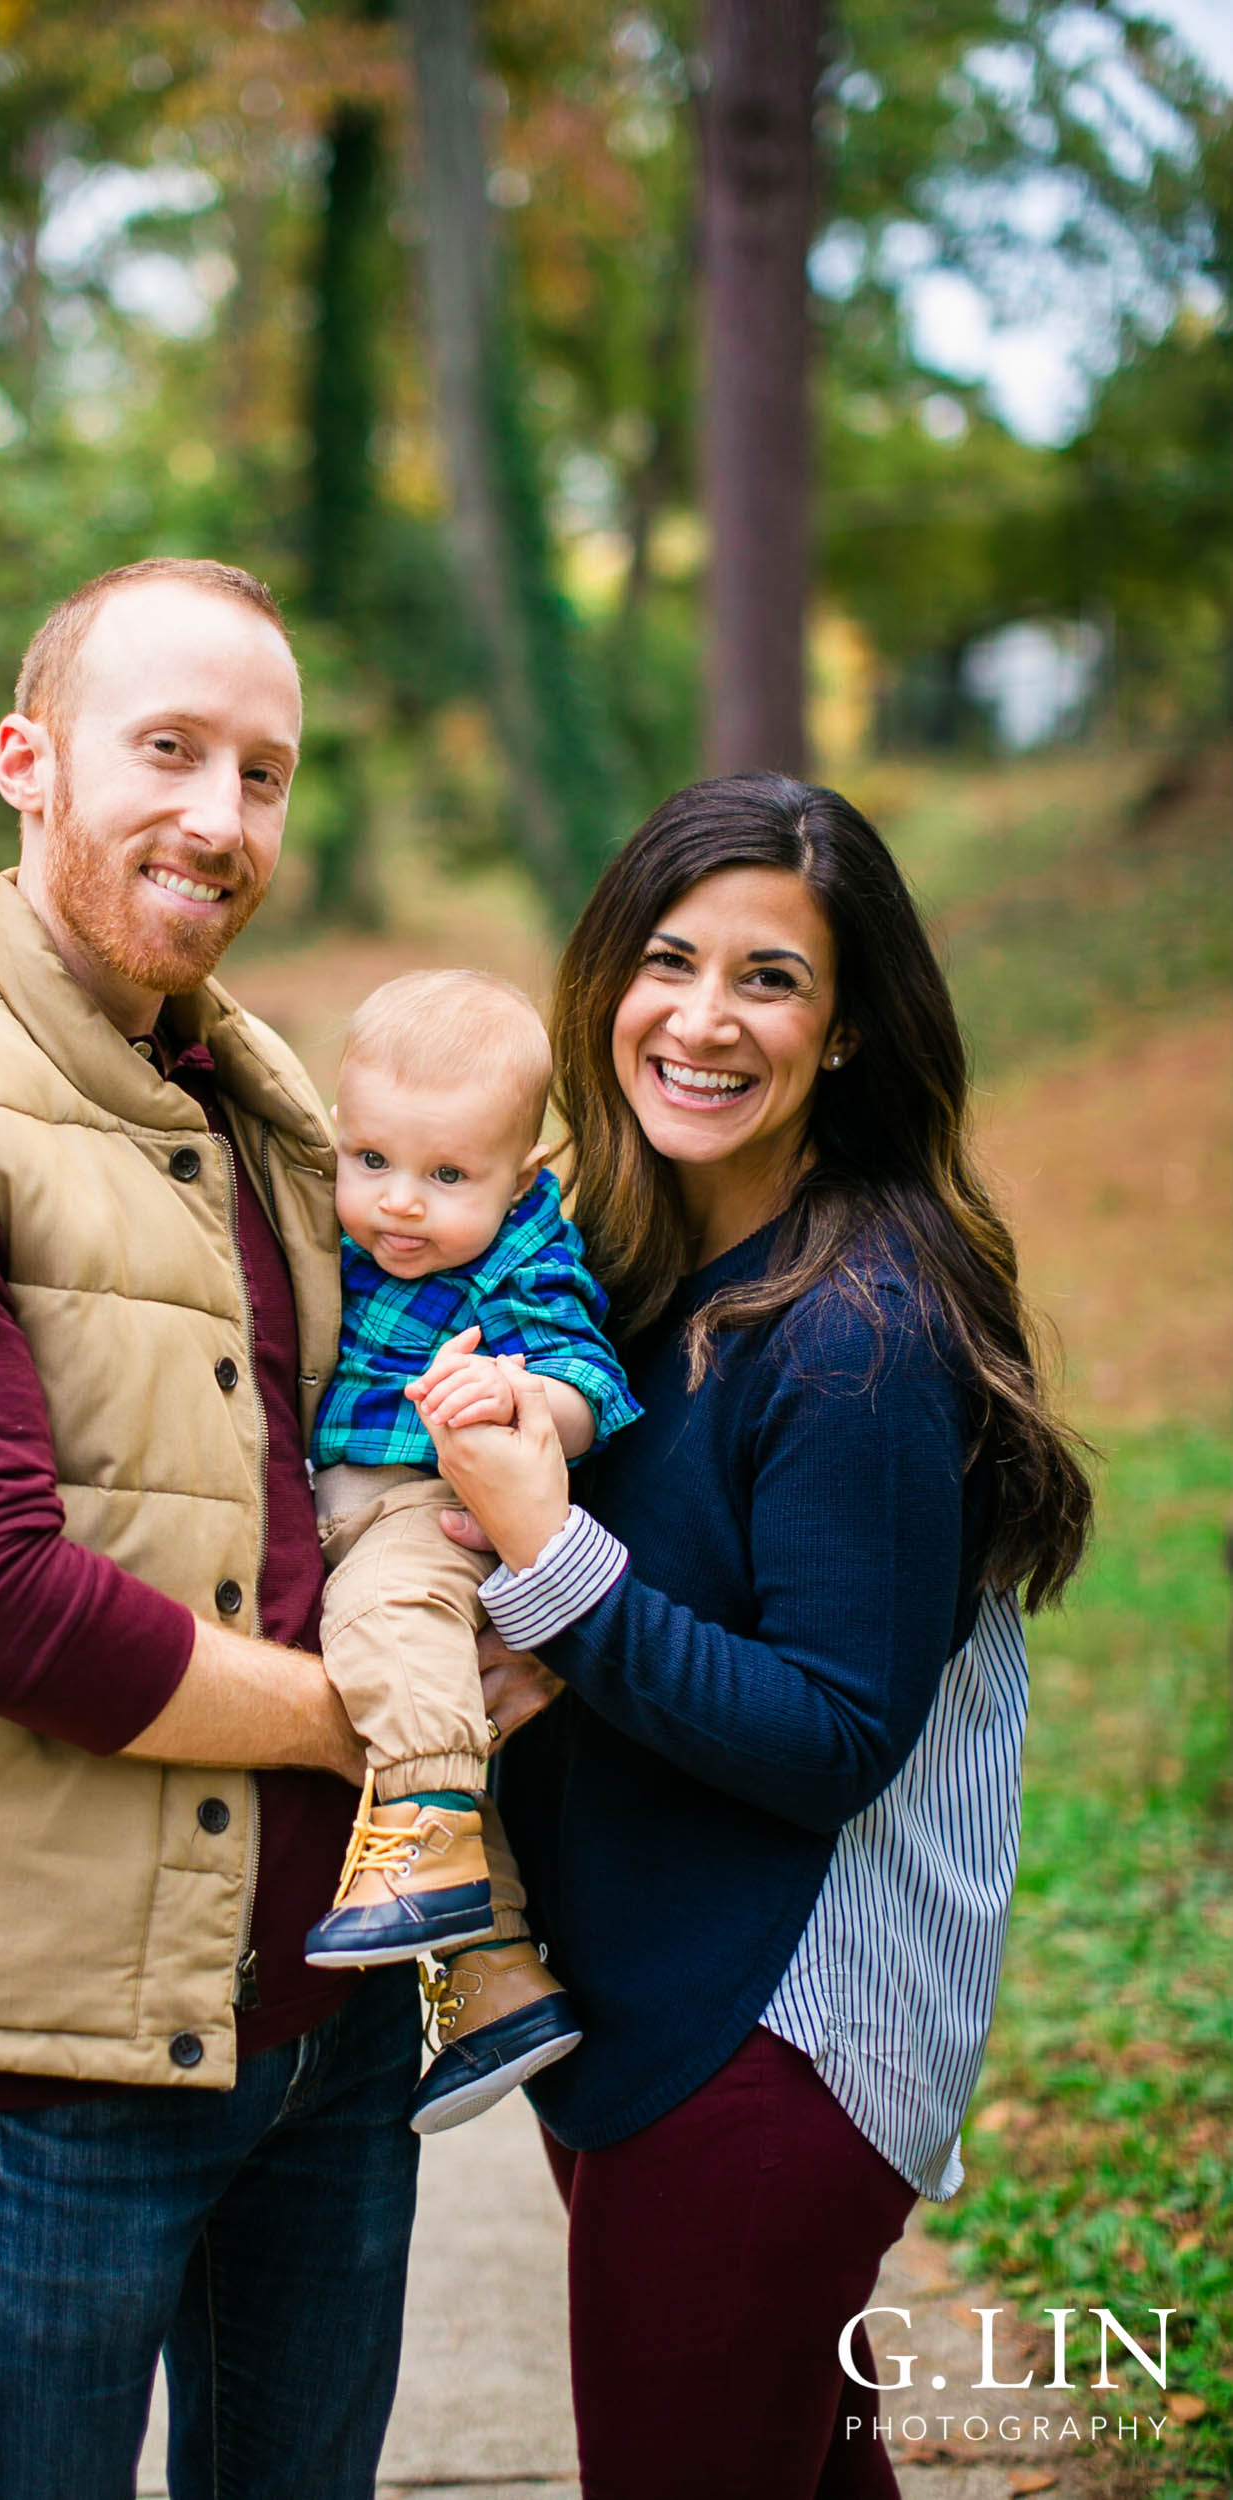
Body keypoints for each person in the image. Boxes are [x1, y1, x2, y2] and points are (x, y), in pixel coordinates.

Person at [0, 559, 423, 2500]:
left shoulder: (255, 1082)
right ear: (25, 763)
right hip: (55, 2045)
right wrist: (363, 1719)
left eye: (264, 772)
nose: (221, 815)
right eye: (170, 750)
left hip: (332, 2010)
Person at [408, 774, 1093, 2500]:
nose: (702, 1020)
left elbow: (827, 1739)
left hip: (777, 2033)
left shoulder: (858, 1326)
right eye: (667, 961)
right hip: (652, 1997)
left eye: (769, 979)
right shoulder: (618, 1279)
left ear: (848, 1026)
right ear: (604, 985)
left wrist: (547, 1563)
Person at [298, 969, 640, 2130]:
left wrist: (522, 1397)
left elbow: (594, 1380)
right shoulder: (340, 1230)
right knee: (399, 1691)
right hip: (340, 1510)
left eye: (447, 1176)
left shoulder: (519, 1260)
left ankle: (429, 1833)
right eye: (373, 1160)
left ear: (520, 1176)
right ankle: (497, 1985)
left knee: (384, 1629)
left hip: (424, 1505)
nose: (399, 1203)